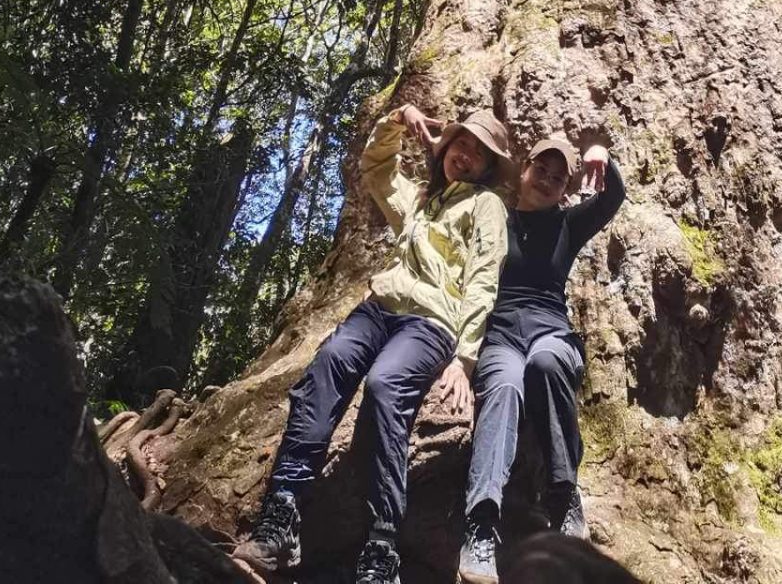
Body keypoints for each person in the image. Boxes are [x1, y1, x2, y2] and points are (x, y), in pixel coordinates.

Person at [234, 103, 514, 584]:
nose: (465, 155)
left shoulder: (486, 206)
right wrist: (396, 121)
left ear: (488, 167)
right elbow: (377, 169)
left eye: (478, 153)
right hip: (379, 309)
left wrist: (466, 358)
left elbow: (485, 277)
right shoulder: (422, 199)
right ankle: (282, 514)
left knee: (386, 387)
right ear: (446, 146)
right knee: (330, 362)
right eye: (460, 143)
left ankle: (382, 545)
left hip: (431, 323)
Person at [457, 132, 626, 584]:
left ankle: (563, 495)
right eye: (541, 171)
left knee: (547, 364)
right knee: (504, 386)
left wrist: (602, 156)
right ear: (524, 171)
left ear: (566, 188)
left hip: (551, 331)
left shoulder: (568, 224)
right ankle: (481, 524)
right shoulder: (497, 219)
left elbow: (615, 198)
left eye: (558, 177)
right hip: (501, 334)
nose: (547, 181)